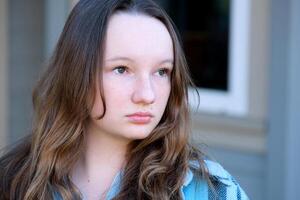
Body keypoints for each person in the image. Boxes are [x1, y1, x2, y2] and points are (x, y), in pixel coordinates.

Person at [0, 0, 248, 199]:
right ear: (76, 74)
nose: (147, 95)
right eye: (122, 69)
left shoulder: (210, 190)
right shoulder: (13, 181)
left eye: (162, 72)